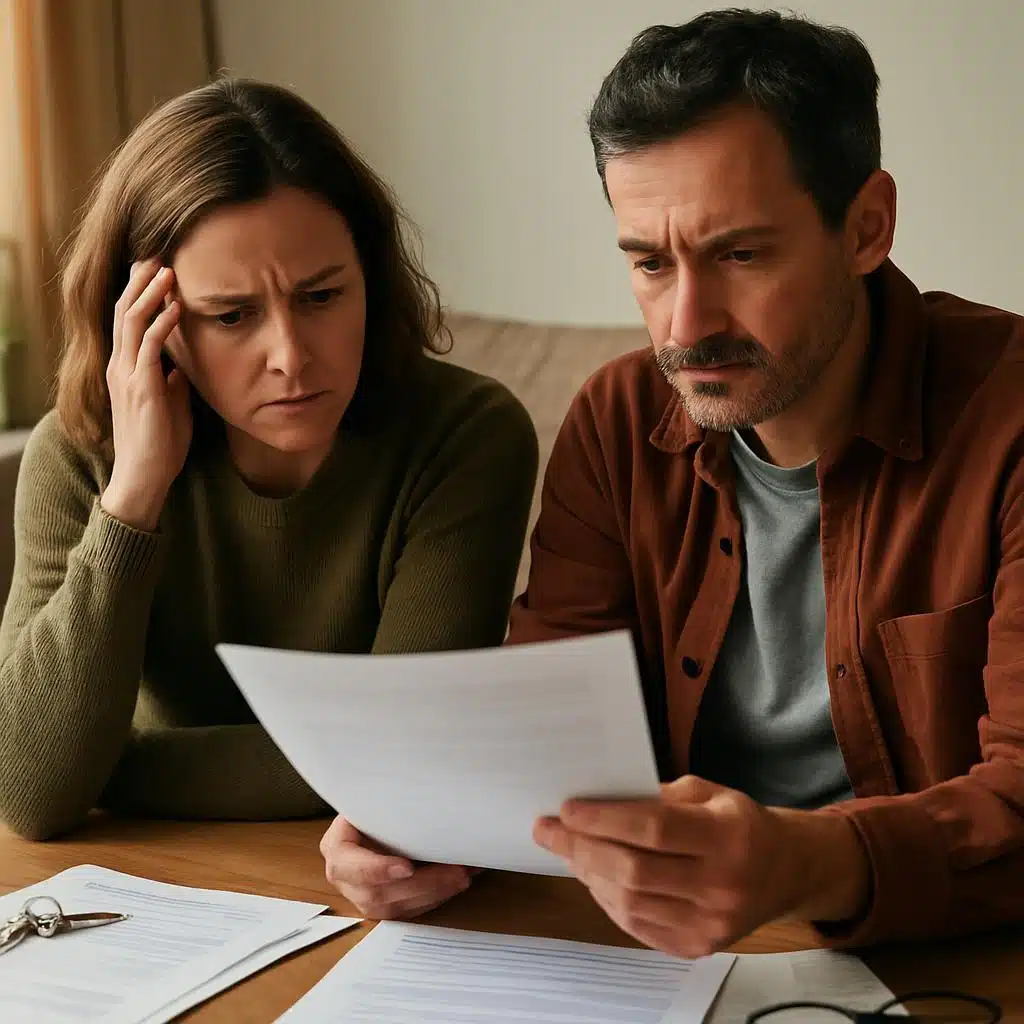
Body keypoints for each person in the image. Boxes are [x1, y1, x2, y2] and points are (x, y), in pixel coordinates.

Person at [320, 9, 1024, 953]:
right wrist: (425, 822)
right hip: (669, 961)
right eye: (651, 263)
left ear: (866, 227)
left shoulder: (1009, 419)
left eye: (740, 254)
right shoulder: (617, 424)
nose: (687, 326)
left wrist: (802, 863)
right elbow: (548, 744)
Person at [0, 78, 538, 842]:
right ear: (150, 321)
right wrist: (134, 496)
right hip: (146, 881)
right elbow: (29, 789)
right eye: (232, 315)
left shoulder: (466, 437)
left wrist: (117, 768)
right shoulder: (77, 454)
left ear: (369, 277)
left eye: (321, 297)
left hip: (361, 873)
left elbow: (407, 756)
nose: (290, 356)